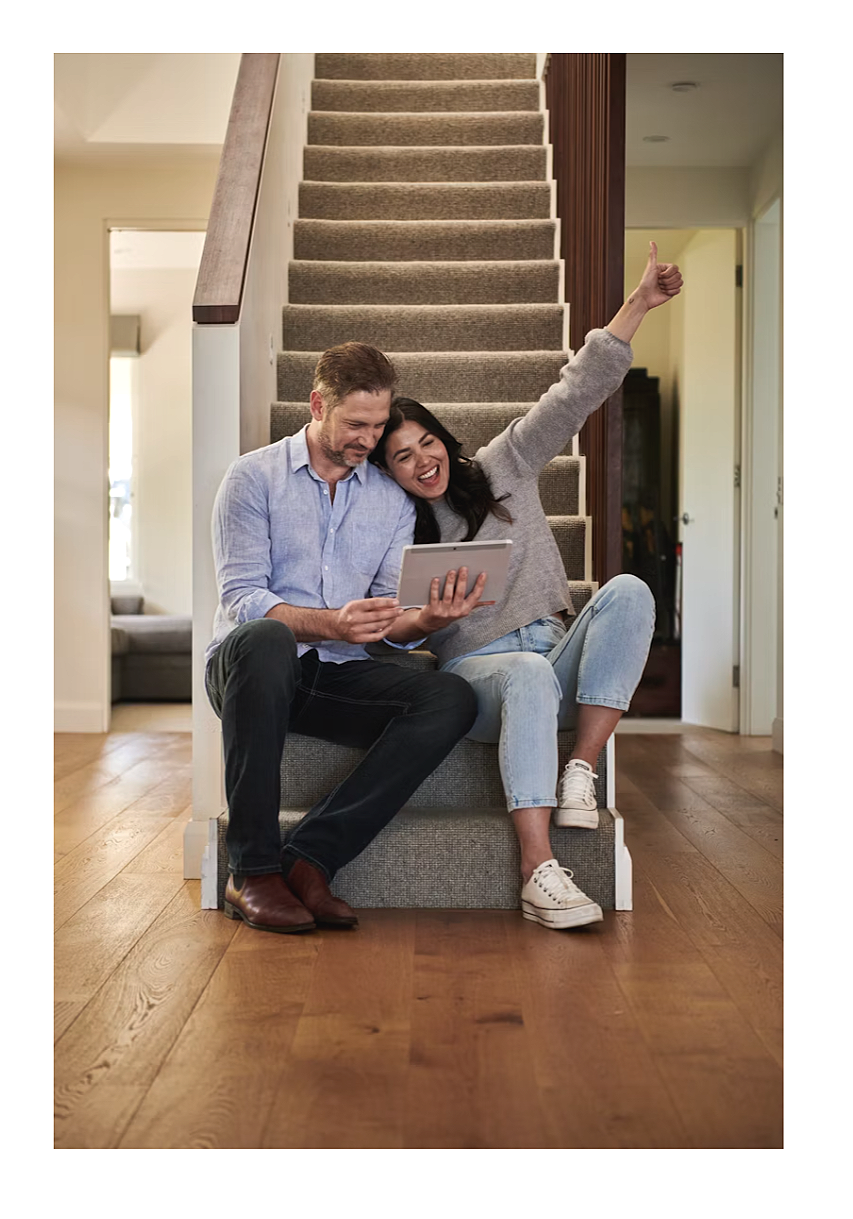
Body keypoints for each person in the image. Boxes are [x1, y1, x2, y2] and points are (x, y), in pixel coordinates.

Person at [371, 243, 683, 931]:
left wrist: (637, 304)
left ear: (443, 440)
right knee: (524, 675)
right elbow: (385, 625)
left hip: (553, 649)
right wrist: (425, 621)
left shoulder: (502, 464)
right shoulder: (393, 529)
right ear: (386, 473)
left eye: (425, 443)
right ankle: (535, 867)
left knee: (629, 588)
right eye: (399, 456)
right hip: (480, 679)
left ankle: (579, 767)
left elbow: (576, 391)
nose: (420, 460)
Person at [204, 341, 480, 935]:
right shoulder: (252, 479)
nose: (368, 439)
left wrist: (424, 622)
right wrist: (329, 622)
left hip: (333, 674)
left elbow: (387, 616)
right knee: (266, 639)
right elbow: (243, 598)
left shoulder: (389, 499)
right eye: (356, 424)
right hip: (251, 671)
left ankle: (308, 858)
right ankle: (250, 869)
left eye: (378, 426)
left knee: (450, 697)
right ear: (316, 405)